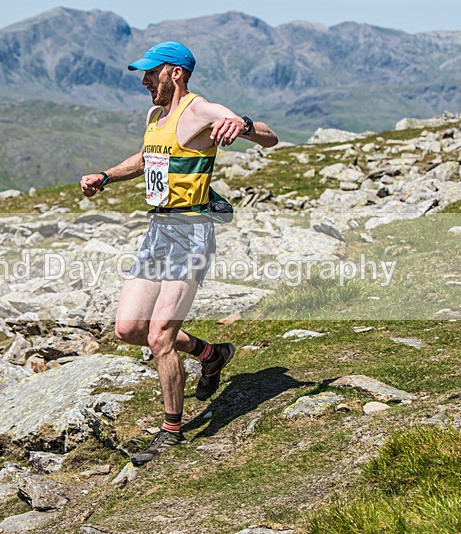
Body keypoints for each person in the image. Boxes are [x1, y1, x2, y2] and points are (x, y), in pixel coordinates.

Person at [80, 41, 278, 466]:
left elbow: (269, 137)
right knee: (129, 329)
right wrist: (105, 176)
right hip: (158, 231)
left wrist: (243, 124)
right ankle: (212, 354)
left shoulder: (200, 110)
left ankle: (171, 431)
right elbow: (146, 158)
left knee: (160, 337)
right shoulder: (155, 116)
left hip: (191, 233)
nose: (144, 81)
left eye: (151, 73)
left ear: (176, 73)